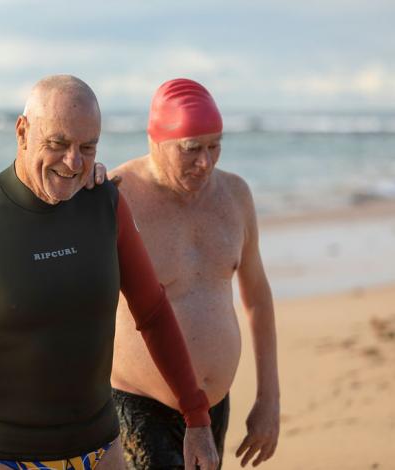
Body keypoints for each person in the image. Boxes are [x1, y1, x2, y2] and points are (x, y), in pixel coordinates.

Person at [0, 75, 219, 470]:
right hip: (3, 453)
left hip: (100, 444)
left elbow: (151, 312)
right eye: (58, 144)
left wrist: (196, 415)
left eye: (87, 147)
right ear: (22, 132)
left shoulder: (104, 204)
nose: (73, 162)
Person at [109, 79, 280, 469]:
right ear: (156, 140)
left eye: (214, 146)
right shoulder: (116, 196)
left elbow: (257, 297)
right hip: (139, 401)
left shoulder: (235, 196)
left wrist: (269, 398)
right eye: (191, 149)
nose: (205, 162)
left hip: (214, 404)